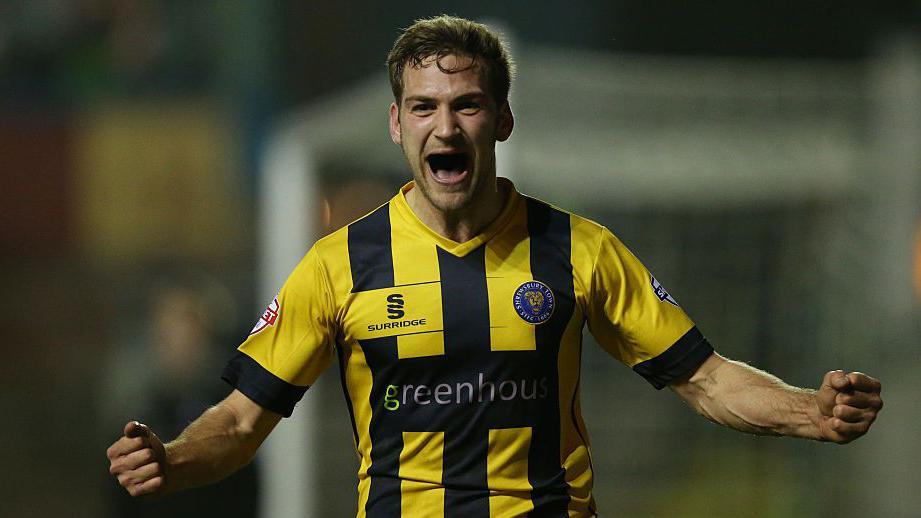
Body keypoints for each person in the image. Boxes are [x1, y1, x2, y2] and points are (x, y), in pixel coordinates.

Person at [106, 15, 883, 517]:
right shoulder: (340, 265)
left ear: (501, 119)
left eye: (466, 105)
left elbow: (704, 376)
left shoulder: (578, 250)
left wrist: (809, 413)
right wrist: (172, 462)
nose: (445, 125)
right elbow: (242, 419)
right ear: (396, 124)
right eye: (423, 107)